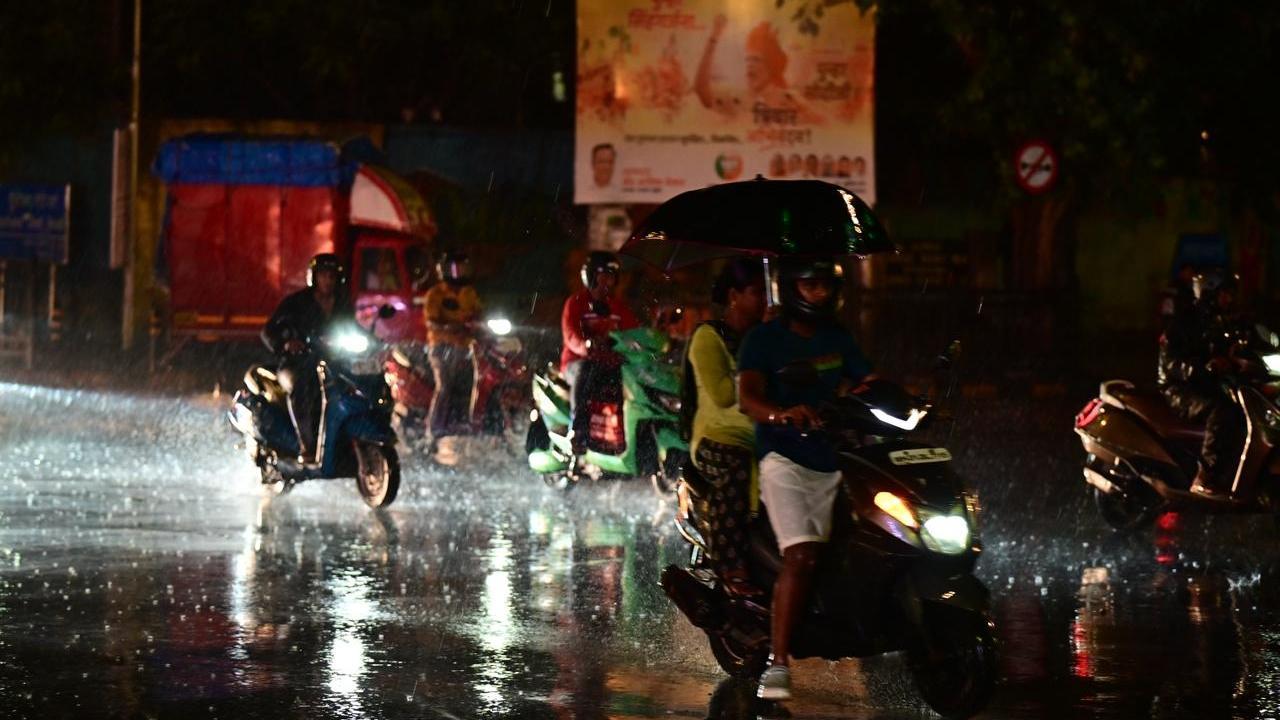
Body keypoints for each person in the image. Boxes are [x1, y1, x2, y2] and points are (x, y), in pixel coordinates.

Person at [736, 256, 873, 701]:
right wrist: (781, 414)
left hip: (836, 455)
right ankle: (778, 664)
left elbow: (866, 380)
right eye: (810, 286)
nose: (819, 295)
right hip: (786, 458)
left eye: (825, 287)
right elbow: (749, 399)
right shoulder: (763, 340)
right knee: (803, 556)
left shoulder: (838, 338)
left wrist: (904, 399)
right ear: (793, 289)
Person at [683, 258, 767, 597]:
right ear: (733, 295)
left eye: (767, 293)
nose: (764, 301)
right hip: (718, 437)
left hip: (765, 431)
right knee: (735, 471)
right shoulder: (709, 337)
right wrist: (754, 367)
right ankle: (730, 565)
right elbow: (719, 394)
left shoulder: (767, 337)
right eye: (756, 293)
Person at [1158, 270, 1247, 498]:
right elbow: (1171, 363)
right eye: (1224, 294)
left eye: (1230, 294)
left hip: (1205, 384)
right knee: (1221, 410)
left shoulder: (1220, 322)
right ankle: (1204, 476)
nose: (1228, 299)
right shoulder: (1185, 321)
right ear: (1209, 294)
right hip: (1179, 389)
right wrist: (1204, 367)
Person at [261, 253, 355, 461]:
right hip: (296, 363)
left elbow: (353, 327)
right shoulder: (296, 302)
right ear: (314, 277)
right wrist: (285, 344)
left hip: (332, 362)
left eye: (332, 276)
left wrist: (375, 341)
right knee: (302, 387)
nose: (328, 281)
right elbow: (267, 331)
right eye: (323, 275)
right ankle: (307, 446)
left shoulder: (343, 304)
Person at [560, 251, 639, 455]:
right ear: (591, 275)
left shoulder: (618, 307)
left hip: (610, 363)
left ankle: (621, 436)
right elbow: (571, 336)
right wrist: (587, 345)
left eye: (612, 275)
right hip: (577, 363)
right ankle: (577, 431)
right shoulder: (576, 302)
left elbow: (634, 332)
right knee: (586, 370)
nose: (608, 280)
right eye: (603, 274)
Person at [424, 250, 481, 447]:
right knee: (445, 386)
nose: (459, 273)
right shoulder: (435, 294)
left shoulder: (470, 293)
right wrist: (452, 327)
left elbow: (478, 315)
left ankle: (471, 424)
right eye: (455, 269)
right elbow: (431, 323)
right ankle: (433, 430)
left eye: (462, 269)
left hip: (466, 348)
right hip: (442, 347)